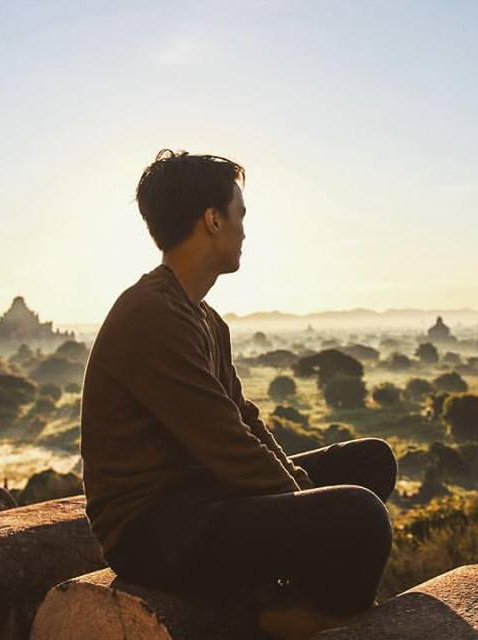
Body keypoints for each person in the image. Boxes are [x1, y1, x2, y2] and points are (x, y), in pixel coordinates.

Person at [80, 149, 397, 640]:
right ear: (212, 220)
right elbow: (227, 448)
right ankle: (285, 619)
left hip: (204, 498)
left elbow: (245, 423)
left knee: (371, 462)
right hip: (154, 530)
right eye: (240, 215)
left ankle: (298, 597)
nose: (245, 230)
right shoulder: (151, 314)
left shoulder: (205, 318)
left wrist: (303, 488)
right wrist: (311, 506)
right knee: (360, 516)